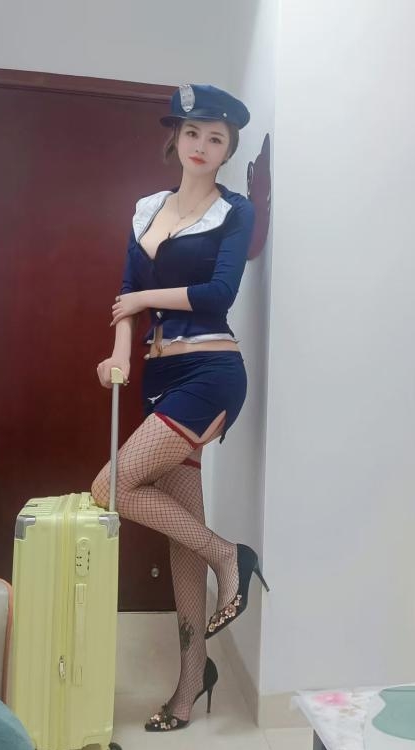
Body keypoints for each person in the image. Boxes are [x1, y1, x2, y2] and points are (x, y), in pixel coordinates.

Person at [91, 84, 269, 732]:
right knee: (179, 540)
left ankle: (229, 556)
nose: (201, 145)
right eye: (193, 132)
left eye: (216, 138)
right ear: (176, 137)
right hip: (158, 376)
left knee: (109, 488)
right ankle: (192, 681)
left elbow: (219, 292)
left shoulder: (234, 211)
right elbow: (125, 294)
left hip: (211, 372)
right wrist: (119, 354)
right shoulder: (146, 209)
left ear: (227, 151)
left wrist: (145, 303)